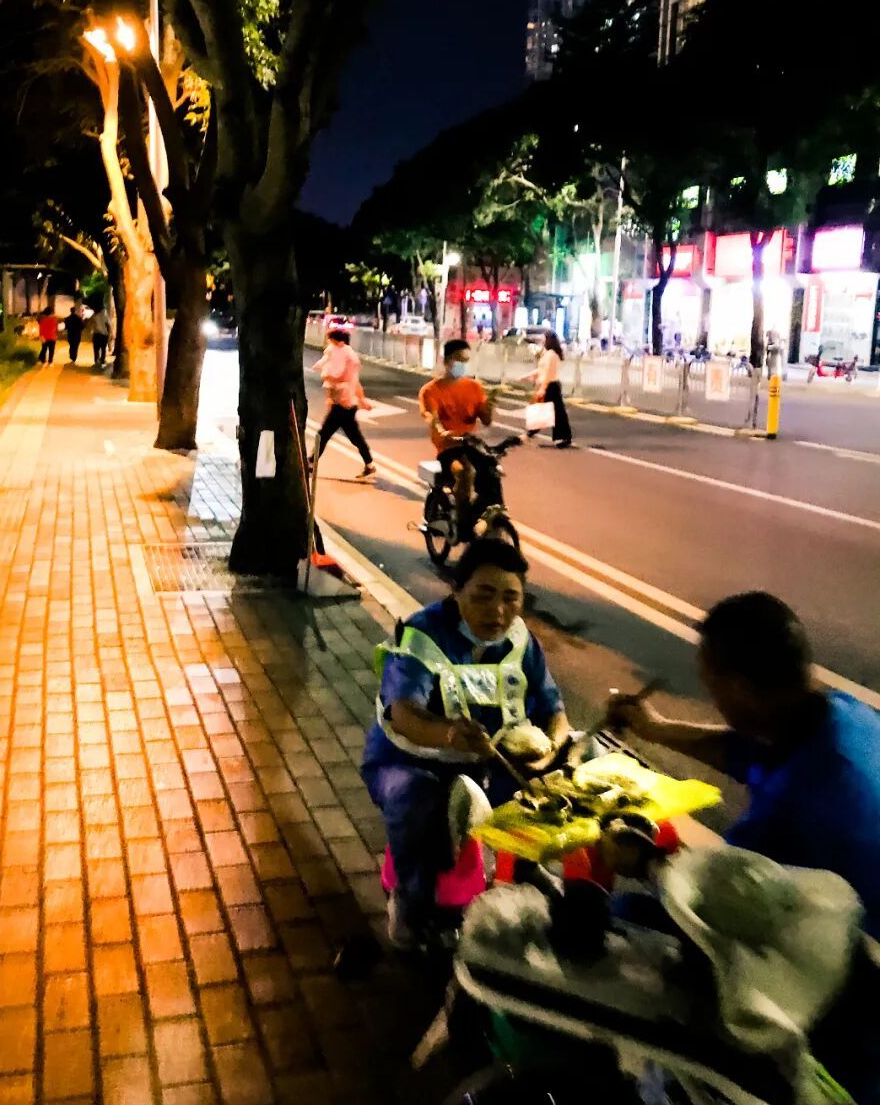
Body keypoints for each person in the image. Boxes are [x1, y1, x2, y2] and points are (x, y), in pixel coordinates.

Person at [608, 592, 880, 939]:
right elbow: (747, 751)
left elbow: (722, 897)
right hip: (825, 906)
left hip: (840, 949)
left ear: (739, 689)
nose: (713, 699)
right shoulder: (843, 713)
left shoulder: (797, 802)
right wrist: (655, 729)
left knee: (622, 915)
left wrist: (646, 862)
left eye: (712, 686)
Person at [362, 539, 572, 949]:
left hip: (490, 762)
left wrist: (550, 747)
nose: (498, 611)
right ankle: (410, 899)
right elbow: (403, 713)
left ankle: (525, 867)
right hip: (413, 759)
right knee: (416, 799)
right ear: (457, 590)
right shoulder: (422, 635)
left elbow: (554, 709)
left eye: (511, 598)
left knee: (550, 789)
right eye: (484, 595)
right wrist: (450, 734)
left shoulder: (521, 640)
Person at [419, 339, 499, 536]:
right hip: (448, 448)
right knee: (465, 473)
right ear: (446, 360)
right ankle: (462, 523)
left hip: (470, 445)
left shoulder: (474, 387)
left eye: (465, 360)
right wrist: (441, 431)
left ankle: (482, 513)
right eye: (458, 360)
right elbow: (432, 418)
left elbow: (486, 420)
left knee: (492, 471)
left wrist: (488, 407)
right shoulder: (430, 390)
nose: (462, 365)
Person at [311, 327, 376, 479]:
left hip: (342, 405)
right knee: (354, 437)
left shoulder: (345, 358)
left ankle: (310, 462)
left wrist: (327, 376)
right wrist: (362, 400)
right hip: (347, 405)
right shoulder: (349, 357)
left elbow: (343, 378)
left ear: (338, 341)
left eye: (331, 341)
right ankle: (369, 464)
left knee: (323, 434)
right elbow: (355, 382)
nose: (329, 344)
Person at [518, 329, 572, 448]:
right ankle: (562, 437)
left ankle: (530, 434)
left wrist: (543, 388)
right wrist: (528, 376)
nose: (542, 342)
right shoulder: (548, 354)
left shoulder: (551, 355)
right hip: (549, 385)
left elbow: (548, 373)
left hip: (551, 385)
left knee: (543, 409)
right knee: (556, 411)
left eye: (543, 339)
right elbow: (541, 370)